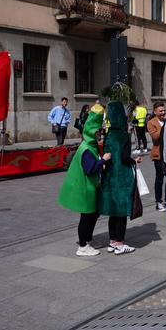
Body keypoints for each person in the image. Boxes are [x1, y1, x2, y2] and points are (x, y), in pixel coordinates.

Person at [57, 104, 110, 256]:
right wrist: (103, 160)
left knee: (93, 214)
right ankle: (82, 246)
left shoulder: (90, 145)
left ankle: (88, 240)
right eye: (98, 132)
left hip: (91, 186)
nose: (100, 134)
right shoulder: (86, 148)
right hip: (86, 188)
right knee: (87, 216)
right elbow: (90, 169)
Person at [98, 101, 143, 255]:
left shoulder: (109, 133)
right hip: (122, 176)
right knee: (122, 210)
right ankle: (119, 243)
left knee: (113, 211)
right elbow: (124, 158)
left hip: (110, 176)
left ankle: (112, 241)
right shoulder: (124, 135)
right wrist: (134, 160)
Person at [147, 102, 166, 212]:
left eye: (164, 111)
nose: (163, 113)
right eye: (160, 111)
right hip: (158, 155)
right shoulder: (151, 123)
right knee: (159, 178)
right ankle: (158, 201)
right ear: (155, 112)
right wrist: (164, 127)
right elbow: (155, 137)